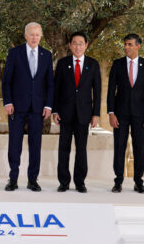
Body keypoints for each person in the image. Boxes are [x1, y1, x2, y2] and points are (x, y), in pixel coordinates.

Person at [2, 22, 54, 192]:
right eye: (31, 34)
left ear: (41, 36)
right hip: (16, 107)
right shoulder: (14, 53)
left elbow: (50, 84)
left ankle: (33, 180)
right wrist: (8, 102)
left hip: (38, 107)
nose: (34, 38)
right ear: (25, 35)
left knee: (35, 144)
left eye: (37, 35)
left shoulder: (46, 55)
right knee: (14, 144)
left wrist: (48, 105)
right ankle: (13, 179)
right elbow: (7, 80)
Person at [53, 31, 101, 193]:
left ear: (86, 45)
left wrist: (96, 114)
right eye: (75, 43)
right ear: (70, 46)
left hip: (84, 114)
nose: (78, 46)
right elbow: (56, 89)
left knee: (81, 149)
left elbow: (98, 91)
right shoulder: (62, 63)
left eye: (81, 43)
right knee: (64, 148)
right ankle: (64, 182)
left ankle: (80, 182)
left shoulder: (93, 64)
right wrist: (55, 110)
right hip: (65, 114)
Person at [107, 33, 144, 193]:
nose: (126, 47)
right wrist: (111, 113)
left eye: (130, 44)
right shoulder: (117, 64)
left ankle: (138, 181)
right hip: (120, 115)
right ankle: (118, 181)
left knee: (140, 148)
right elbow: (110, 91)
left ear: (138, 46)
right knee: (119, 147)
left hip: (140, 115)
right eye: (125, 44)